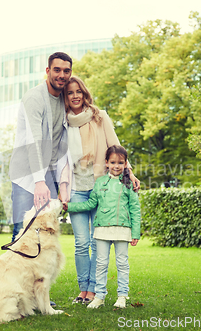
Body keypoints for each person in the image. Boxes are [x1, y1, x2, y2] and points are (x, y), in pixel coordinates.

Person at [63, 76, 139, 304]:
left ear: (85, 93)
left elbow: (116, 146)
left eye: (78, 91)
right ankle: (83, 289)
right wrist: (62, 188)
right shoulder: (64, 122)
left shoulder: (100, 116)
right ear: (65, 98)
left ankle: (95, 290)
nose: (75, 95)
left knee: (98, 241)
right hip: (76, 187)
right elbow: (60, 158)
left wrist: (130, 172)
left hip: (99, 187)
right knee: (81, 243)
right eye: (70, 93)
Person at [63, 145, 141, 309]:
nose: (116, 166)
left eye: (120, 162)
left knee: (122, 264)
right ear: (106, 163)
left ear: (126, 164)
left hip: (122, 230)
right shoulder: (99, 183)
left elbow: (135, 209)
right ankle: (99, 296)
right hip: (102, 230)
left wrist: (135, 233)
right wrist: (69, 207)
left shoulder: (128, 184)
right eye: (113, 162)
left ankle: (122, 296)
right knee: (101, 264)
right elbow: (91, 204)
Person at [9, 52, 73, 242]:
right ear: (47, 71)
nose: (62, 75)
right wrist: (39, 182)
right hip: (26, 174)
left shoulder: (65, 99)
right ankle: (14, 271)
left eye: (66, 71)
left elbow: (63, 142)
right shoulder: (34, 98)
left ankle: (39, 272)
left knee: (46, 230)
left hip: (50, 174)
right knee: (23, 230)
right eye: (57, 70)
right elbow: (34, 141)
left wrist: (63, 183)